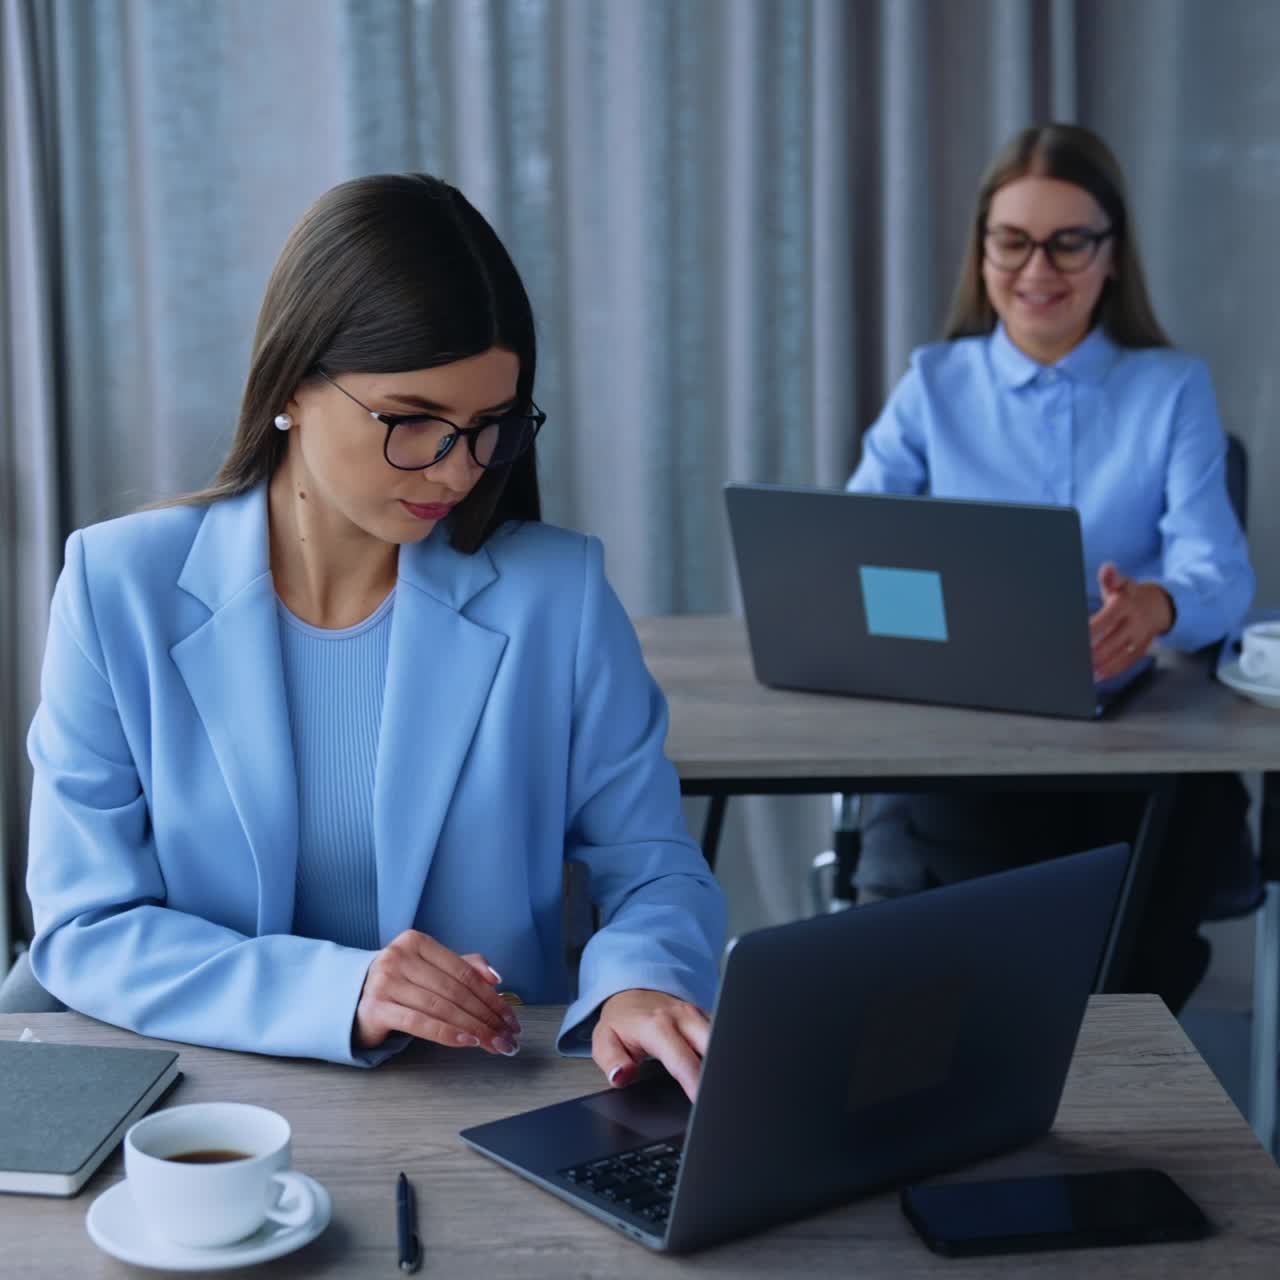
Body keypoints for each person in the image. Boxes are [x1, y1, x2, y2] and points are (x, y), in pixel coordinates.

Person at [23, 174, 726, 1099]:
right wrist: (343, 989)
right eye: (413, 422)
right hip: (208, 1108)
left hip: (484, 1105)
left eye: (489, 428)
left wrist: (639, 978)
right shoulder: (119, 588)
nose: (460, 468)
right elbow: (86, 926)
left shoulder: (559, 594)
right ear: (293, 387)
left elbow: (654, 868)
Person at [846, 123, 1255, 1011]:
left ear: (1111, 256)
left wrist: (1156, 605)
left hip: (1135, 752)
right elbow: (851, 555)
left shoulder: (1170, 386)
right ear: (982, 253)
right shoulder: (933, 383)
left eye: (1070, 241)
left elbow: (1221, 578)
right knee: (968, 978)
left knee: (1125, 969)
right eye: (1014, 241)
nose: (1039, 269)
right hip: (968, 746)